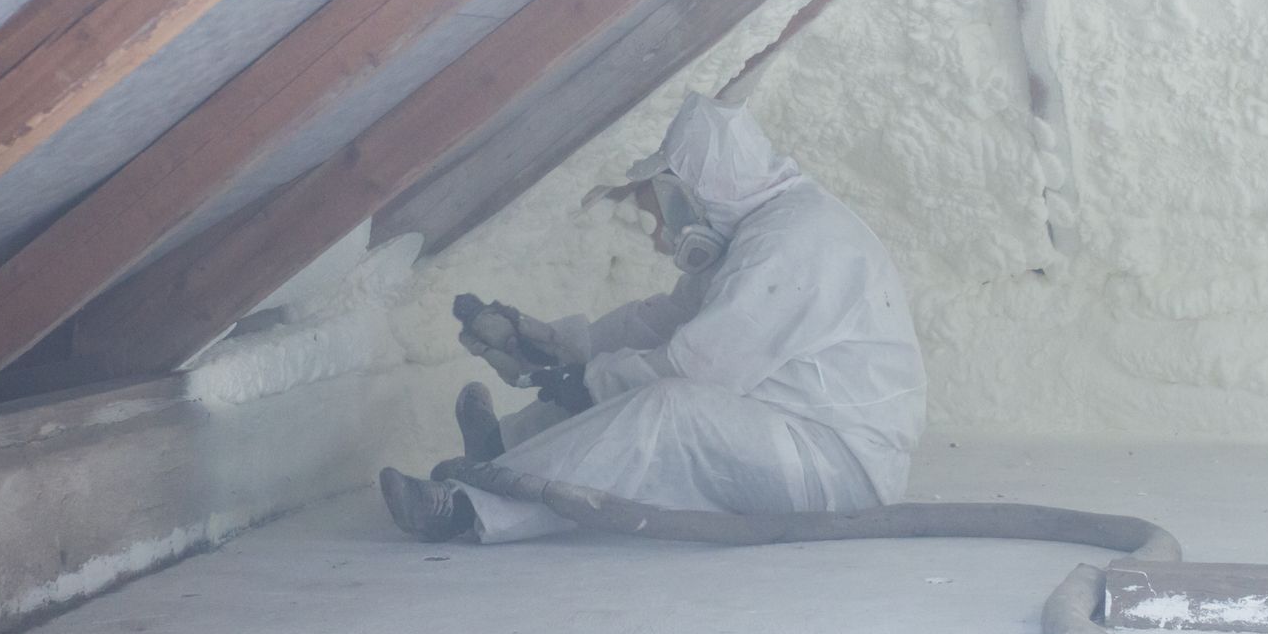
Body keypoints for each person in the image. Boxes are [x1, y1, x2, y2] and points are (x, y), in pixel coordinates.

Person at [378, 93, 926, 543]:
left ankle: (468, 508)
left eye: (661, 212)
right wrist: (562, 344)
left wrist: (584, 381)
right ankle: (501, 452)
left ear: (690, 197)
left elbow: (699, 366)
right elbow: (665, 320)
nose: (661, 234)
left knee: (669, 406)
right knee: (618, 384)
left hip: (842, 474)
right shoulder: (760, 232)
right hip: (796, 438)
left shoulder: (793, 241)